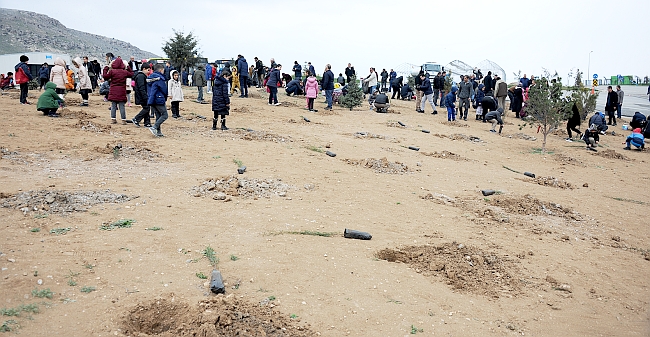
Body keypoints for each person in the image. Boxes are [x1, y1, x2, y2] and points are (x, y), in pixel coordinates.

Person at [103, 58, 133, 124]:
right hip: (122, 91)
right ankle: (123, 120)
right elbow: (131, 74)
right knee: (122, 106)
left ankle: (113, 119)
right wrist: (127, 66)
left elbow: (105, 76)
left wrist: (106, 67)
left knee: (113, 105)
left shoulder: (112, 72)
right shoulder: (125, 72)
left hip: (113, 90)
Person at [147, 64, 169, 137]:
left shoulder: (150, 78)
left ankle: (158, 132)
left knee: (158, 115)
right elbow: (164, 89)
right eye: (163, 70)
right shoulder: (160, 78)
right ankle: (154, 127)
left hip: (152, 99)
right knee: (165, 115)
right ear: (160, 70)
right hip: (159, 99)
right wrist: (165, 96)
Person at [132, 63, 153, 127]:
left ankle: (147, 122)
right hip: (141, 96)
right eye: (148, 70)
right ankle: (136, 119)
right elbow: (141, 87)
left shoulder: (142, 76)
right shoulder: (141, 76)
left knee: (147, 108)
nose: (149, 72)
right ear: (144, 69)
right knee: (146, 108)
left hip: (142, 95)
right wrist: (145, 96)